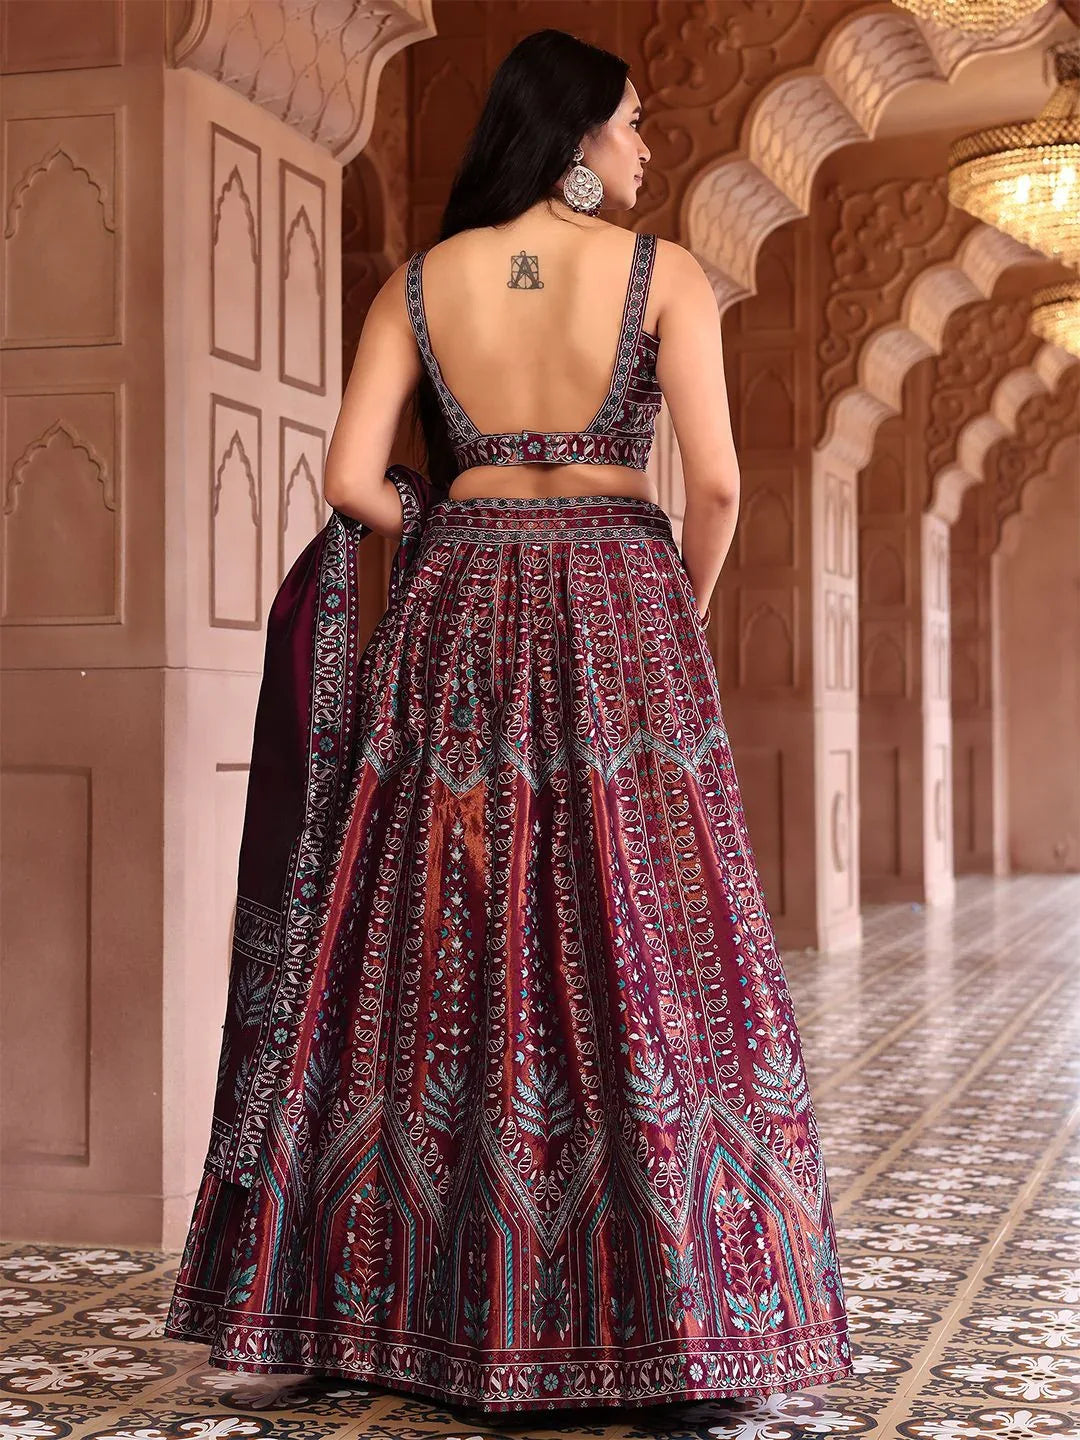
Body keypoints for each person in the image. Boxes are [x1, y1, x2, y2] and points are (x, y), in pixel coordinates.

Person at [164, 27, 854, 1417]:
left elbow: (351, 475)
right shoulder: (663, 278)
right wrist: (678, 612)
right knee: (645, 941)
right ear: (583, 137)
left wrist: (440, 524)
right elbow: (714, 487)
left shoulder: (421, 285)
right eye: (637, 125)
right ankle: (674, 1328)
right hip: (618, 601)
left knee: (433, 938)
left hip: (457, 612)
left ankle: (386, 1306)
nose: (648, 149)